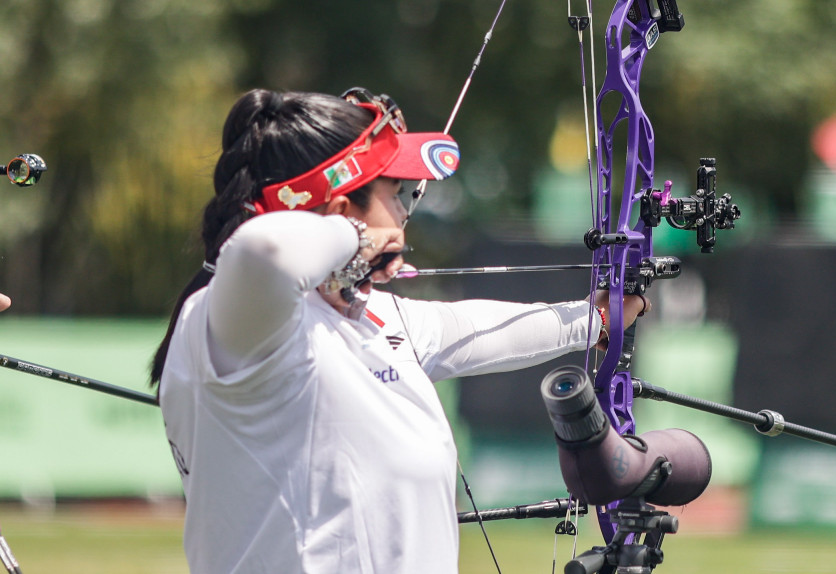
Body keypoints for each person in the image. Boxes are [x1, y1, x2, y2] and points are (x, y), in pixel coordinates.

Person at [149, 89, 647, 574]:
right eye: (394, 193)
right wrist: (359, 238)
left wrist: (599, 318)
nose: (405, 211)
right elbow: (262, 250)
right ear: (342, 209)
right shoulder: (238, 319)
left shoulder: (372, 318)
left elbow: (477, 327)